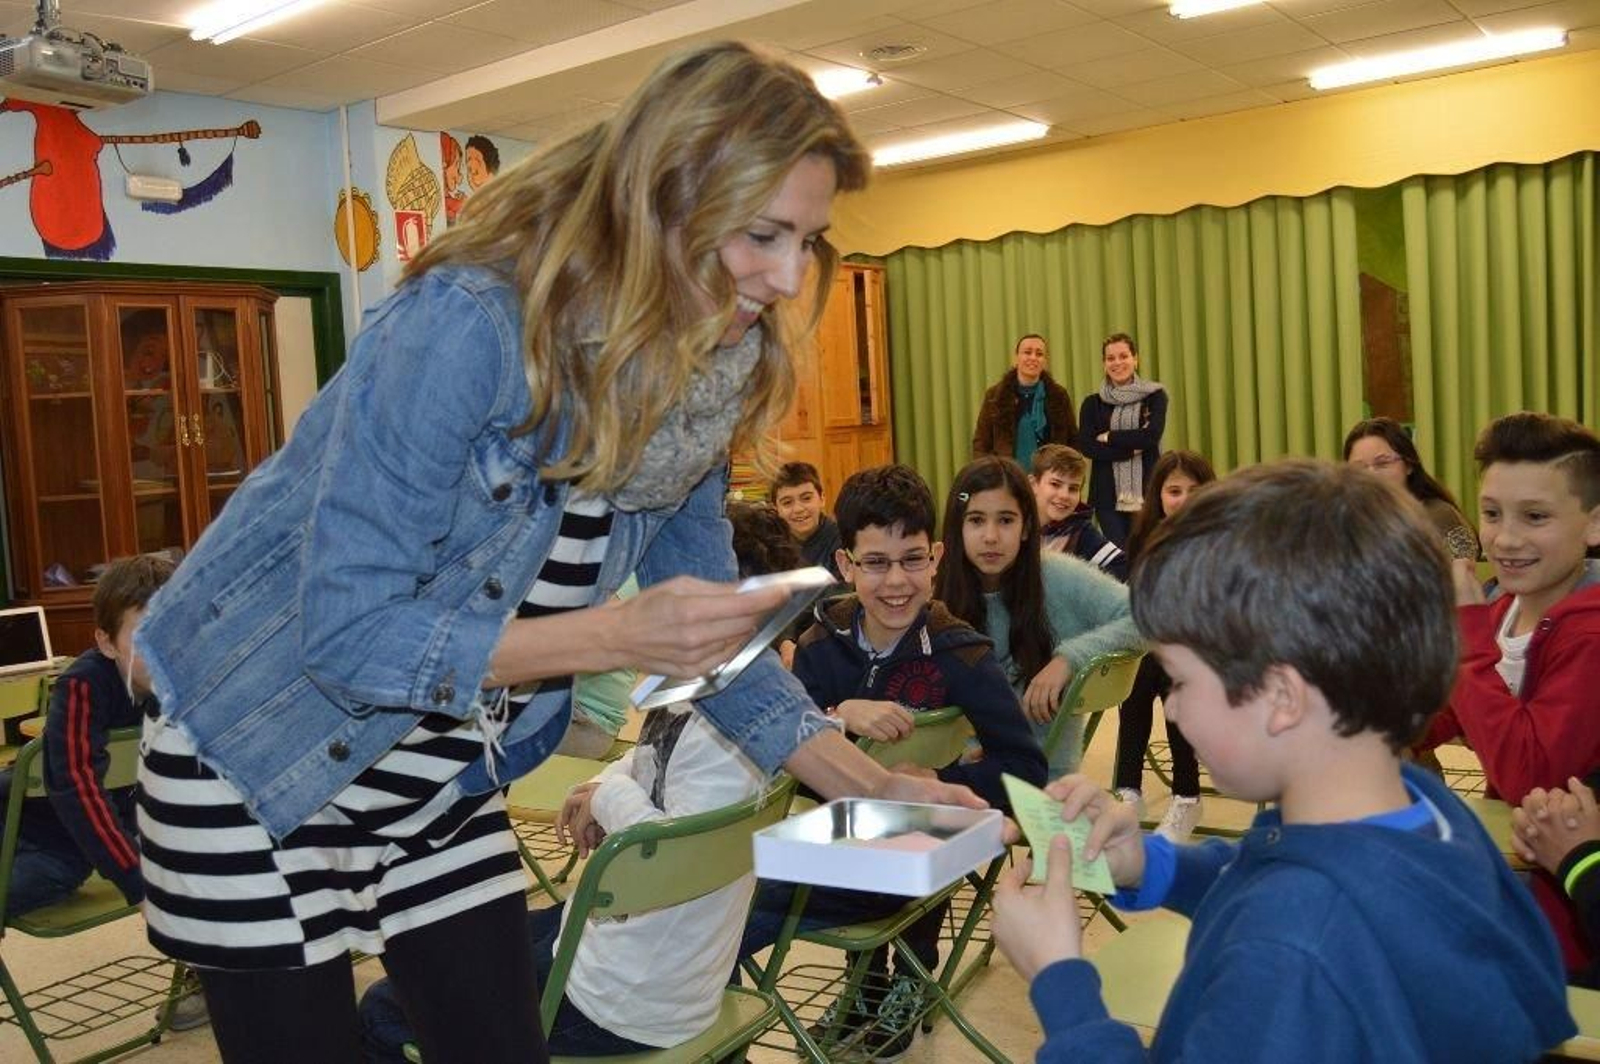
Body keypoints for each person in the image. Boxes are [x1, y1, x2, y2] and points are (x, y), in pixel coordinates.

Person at [130, 43, 980, 1064]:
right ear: (662, 200)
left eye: (807, 238)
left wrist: (859, 784)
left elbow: (714, 635)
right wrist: (612, 631)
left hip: (432, 770)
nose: (790, 274)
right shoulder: (469, 325)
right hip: (258, 749)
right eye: (761, 233)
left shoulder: (701, 371)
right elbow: (347, 630)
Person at [990, 459, 1576, 1063]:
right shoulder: (1422, 810)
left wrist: (1059, 980)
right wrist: (1148, 866)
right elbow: (1266, 867)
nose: (1176, 711)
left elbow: (1292, 908)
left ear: (1281, 698)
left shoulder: (1287, 951)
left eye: (1184, 682)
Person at [358, 502, 799, 1059]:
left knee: (383, 1003)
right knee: (458, 939)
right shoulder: (716, 701)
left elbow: (661, 852)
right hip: (637, 966)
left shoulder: (722, 739)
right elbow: (650, 764)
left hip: (618, 1002)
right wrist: (600, 788)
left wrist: (609, 795)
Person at [741, 463, 1047, 1060]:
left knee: (728, 907)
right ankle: (871, 980)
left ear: (935, 558)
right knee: (731, 887)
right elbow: (784, 773)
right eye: (875, 563)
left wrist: (936, 778)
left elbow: (1026, 768)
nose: (896, 581)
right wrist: (839, 713)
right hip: (834, 854)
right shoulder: (819, 646)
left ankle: (901, 974)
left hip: (918, 866)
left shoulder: (962, 653)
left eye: (912, 559)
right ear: (845, 567)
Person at [1420, 410, 1600, 973]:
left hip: (1570, 936)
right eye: (1492, 514)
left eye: (1536, 516)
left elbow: (1530, 776)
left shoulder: (1591, 634)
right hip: (1508, 900)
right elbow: (1436, 716)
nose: (1505, 538)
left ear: (1594, 525)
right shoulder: (1502, 608)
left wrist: (1468, 636)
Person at [936, 456, 1141, 779]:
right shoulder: (935, 594)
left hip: (1045, 779)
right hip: (957, 774)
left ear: (1026, 527)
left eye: (1005, 520)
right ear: (957, 526)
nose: (991, 536)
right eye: (976, 520)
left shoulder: (1057, 575)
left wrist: (1069, 658)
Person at [1112, 450, 1213, 841]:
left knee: (1173, 678)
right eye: (1174, 490)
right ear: (1158, 495)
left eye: (1194, 490)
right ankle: (1128, 790)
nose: (1184, 499)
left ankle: (1187, 794)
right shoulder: (1145, 536)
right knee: (1136, 682)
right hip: (1154, 644)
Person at [1076, 332, 1167, 547]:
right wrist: (1129, 450)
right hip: (1107, 496)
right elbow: (1088, 446)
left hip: (1147, 491)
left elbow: (1151, 436)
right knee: (1120, 559)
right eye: (1111, 358)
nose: (1117, 362)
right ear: (1104, 363)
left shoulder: (1155, 396)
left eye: (1123, 356)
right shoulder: (1092, 403)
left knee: (1147, 554)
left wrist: (1110, 436)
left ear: (1135, 359)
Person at [1344, 416, 1477, 560]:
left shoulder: (1439, 516)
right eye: (1359, 468)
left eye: (1382, 463)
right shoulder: (1346, 521)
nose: (1371, 474)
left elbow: (1462, 574)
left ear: (1408, 465)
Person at [972, 333, 1076, 471]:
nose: (1033, 357)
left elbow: (1072, 440)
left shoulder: (1059, 396)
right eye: (1027, 352)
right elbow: (981, 444)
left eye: (1039, 354)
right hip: (1008, 481)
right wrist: (991, 476)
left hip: (1049, 481)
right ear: (1016, 358)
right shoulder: (994, 396)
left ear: (1045, 361)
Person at [1030, 443, 1128, 581]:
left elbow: (1122, 566)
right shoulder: (1015, 523)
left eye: (1073, 488)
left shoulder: (1080, 531)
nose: (1064, 495)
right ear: (1033, 484)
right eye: (1055, 484)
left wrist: (1075, 586)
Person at [771, 460, 842, 578]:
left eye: (806, 498)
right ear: (775, 508)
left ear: (822, 499)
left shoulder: (842, 540)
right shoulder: (770, 545)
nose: (798, 509)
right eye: (787, 502)